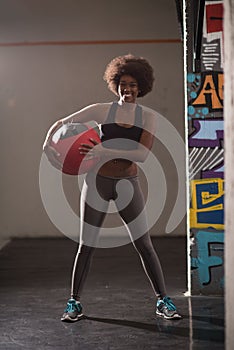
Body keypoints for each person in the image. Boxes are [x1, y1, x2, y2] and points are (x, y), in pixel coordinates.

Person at [43, 54, 182, 321]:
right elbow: (62, 123)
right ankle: (74, 303)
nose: (127, 89)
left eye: (132, 85)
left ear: (141, 87)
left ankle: (163, 301)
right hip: (97, 182)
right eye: (122, 84)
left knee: (144, 244)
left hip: (128, 183)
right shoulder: (101, 110)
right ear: (115, 84)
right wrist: (48, 143)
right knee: (87, 245)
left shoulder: (147, 117)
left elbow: (140, 155)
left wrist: (101, 148)